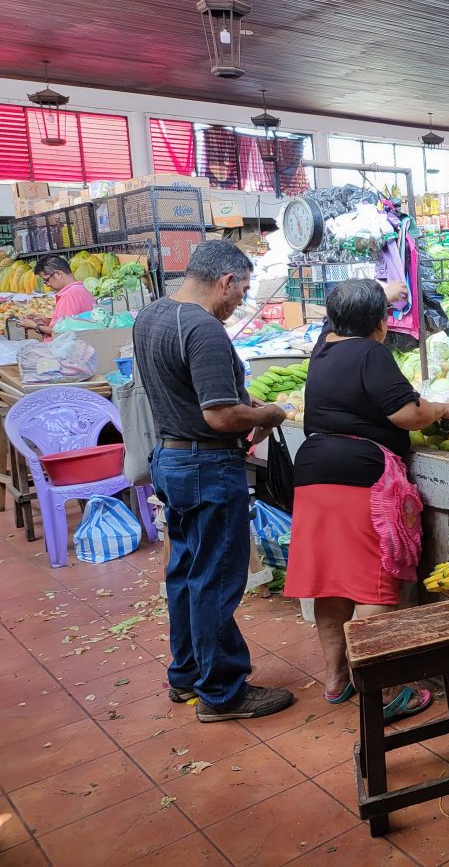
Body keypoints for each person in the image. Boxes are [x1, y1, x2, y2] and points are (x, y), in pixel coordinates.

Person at [133, 241, 295, 722]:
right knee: (214, 581)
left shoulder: (152, 314)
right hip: (205, 466)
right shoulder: (203, 328)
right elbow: (221, 414)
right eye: (241, 291)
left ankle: (186, 676)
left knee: (185, 571)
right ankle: (222, 692)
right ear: (225, 281)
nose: (239, 302)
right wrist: (267, 412)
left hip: (171, 458)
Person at [284, 279, 449, 718]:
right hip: (358, 476)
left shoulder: (324, 349)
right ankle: (385, 691)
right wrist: (439, 408)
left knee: (331, 582)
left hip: (313, 472)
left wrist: (387, 291)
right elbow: (407, 414)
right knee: (374, 585)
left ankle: (337, 679)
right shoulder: (371, 352)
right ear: (381, 323)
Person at [19, 255, 95, 340]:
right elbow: (71, 323)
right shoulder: (81, 289)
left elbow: (63, 331)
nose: (47, 284)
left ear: (58, 274)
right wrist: (45, 320)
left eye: (46, 280)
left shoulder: (70, 295)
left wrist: (35, 326)